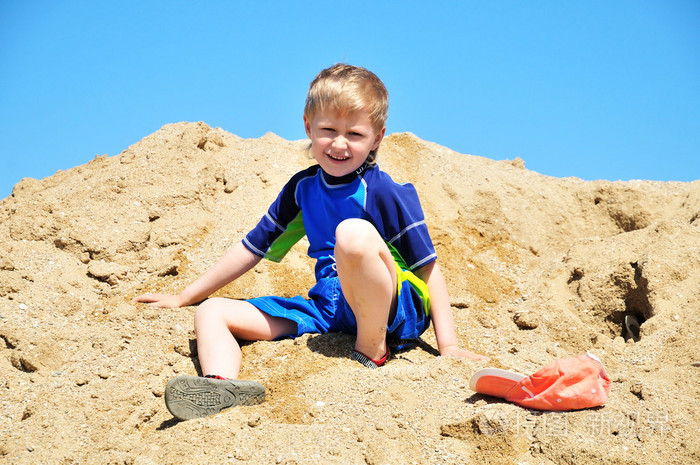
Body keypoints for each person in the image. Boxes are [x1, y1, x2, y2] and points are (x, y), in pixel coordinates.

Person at [135, 64, 488, 420]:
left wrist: (449, 345)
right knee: (211, 312)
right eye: (328, 130)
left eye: (354, 134)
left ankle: (371, 348)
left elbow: (428, 268)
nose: (339, 143)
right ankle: (221, 385)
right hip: (331, 306)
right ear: (308, 126)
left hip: (393, 304)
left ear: (377, 138)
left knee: (351, 233)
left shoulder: (383, 191)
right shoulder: (302, 188)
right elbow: (251, 248)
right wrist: (185, 297)